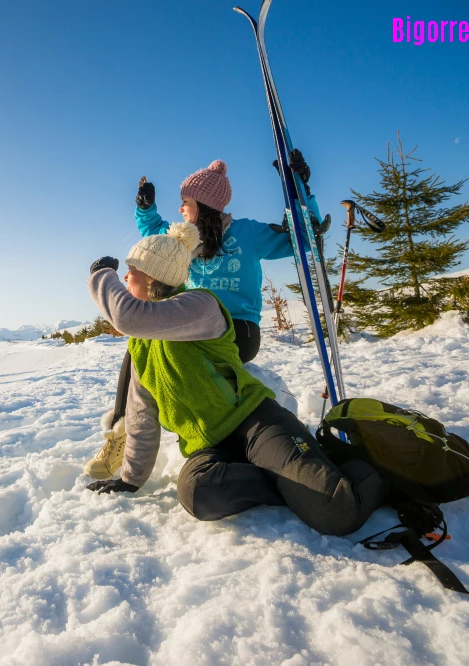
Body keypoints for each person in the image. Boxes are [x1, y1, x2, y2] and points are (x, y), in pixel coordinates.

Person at [83, 224, 385, 536]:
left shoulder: (199, 306)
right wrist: (129, 481)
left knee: (335, 508)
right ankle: (280, 475)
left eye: (130, 270)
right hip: (211, 448)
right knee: (197, 494)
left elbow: (127, 316)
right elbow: (141, 417)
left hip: (254, 423)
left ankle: (357, 472)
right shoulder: (142, 346)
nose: (125, 277)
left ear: (151, 276)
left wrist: (102, 274)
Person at [84, 155, 311, 479]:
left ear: (203, 204)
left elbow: (299, 238)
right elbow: (153, 234)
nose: (180, 208)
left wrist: (300, 190)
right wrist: (145, 207)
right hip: (186, 321)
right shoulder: (183, 237)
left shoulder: (246, 233)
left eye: (185, 201)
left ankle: (218, 431)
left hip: (239, 327)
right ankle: (121, 433)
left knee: (152, 348)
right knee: (140, 350)